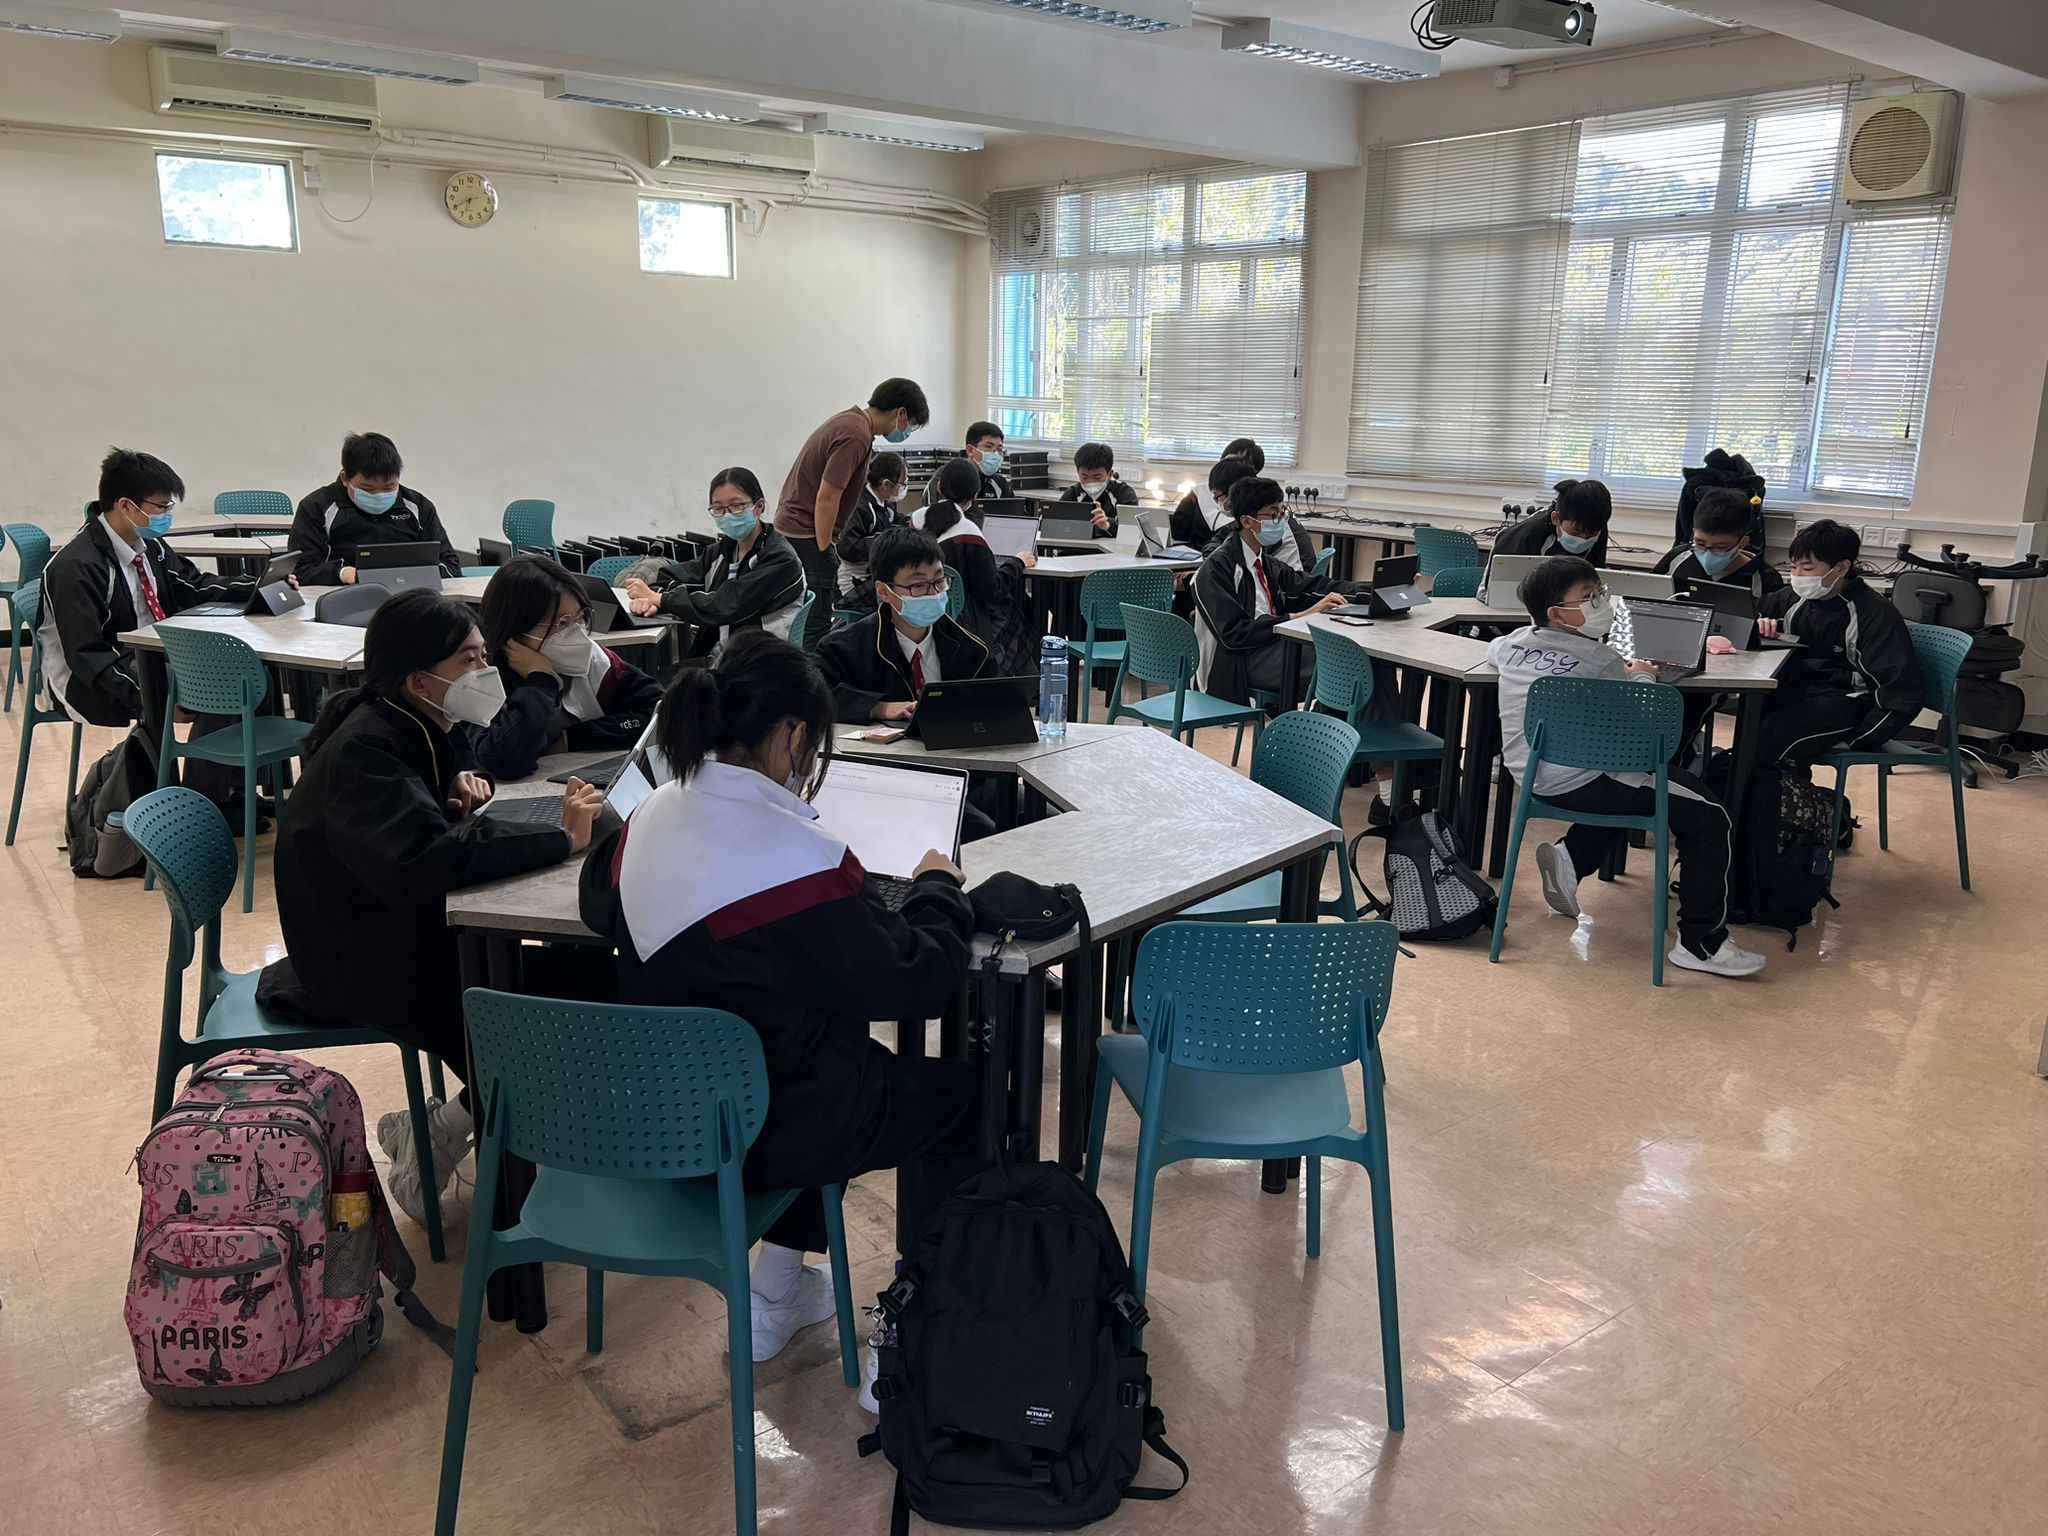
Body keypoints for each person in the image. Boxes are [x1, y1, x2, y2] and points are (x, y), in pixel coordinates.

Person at [578, 632, 980, 1361]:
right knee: (964, 1103)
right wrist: (936, 889)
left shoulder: (650, 815)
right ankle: (922, 1331)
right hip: (770, 1128)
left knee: (808, 1045)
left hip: (663, 1114)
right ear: (793, 735)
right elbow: (917, 979)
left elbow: (596, 903)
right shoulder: (796, 858)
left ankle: (778, 1292)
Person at [258, 589, 605, 1221]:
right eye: (469, 660)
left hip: (400, 930)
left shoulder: (408, 717)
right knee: (547, 1021)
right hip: (367, 959)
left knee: (579, 989)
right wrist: (561, 838)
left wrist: (454, 782)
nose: (485, 670)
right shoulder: (366, 748)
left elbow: (445, 776)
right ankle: (434, 1143)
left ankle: (438, 1126)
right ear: (419, 679)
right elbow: (427, 864)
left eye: (483, 655)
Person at [1487, 557, 1764, 980]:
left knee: (1632, 787)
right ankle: (1702, 943)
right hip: (1587, 779)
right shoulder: (1602, 660)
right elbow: (1645, 731)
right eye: (1589, 597)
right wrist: (1643, 677)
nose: (1602, 602)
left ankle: (1570, 859)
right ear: (1557, 613)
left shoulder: (1511, 645)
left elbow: (1495, 652)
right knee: (1710, 817)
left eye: (1600, 592)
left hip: (1532, 777)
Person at [39, 449, 275, 821]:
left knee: (252, 670)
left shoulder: (147, 545)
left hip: (150, 654)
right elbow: (88, 656)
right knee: (221, 685)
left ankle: (233, 791)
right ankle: (206, 806)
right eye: (161, 507)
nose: (166, 515)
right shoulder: (76, 566)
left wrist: (256, 587)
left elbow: (192, 586)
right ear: (125, 505)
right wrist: (152, 696)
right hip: (91, 678)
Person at [468, 554, 663, 781]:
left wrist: (573, 738)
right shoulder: (479, 676)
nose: (576, 632)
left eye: (579, 618)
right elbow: (505, 760)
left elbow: (661, 714)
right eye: (561, 623)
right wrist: (541, 680)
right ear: (516, 631)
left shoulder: (595, 661)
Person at [1754, 520, 1923, 770]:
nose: (1797, 576)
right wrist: (1759, 623)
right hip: (1803, 690)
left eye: (1807, 568)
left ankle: (1770, 790)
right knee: (1752, 712)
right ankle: (1751, 788)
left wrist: (1857, 740)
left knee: (1775, 732)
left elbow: (1901, 693)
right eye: (1793, 567)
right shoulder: (1794, 599)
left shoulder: (1873, 614)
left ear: (1842, 567)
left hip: (1848, 700)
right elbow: (1750, 612)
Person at [776, 378, 930, 649]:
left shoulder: (852, 423)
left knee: (810, 621)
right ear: (901, 413)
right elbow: (828, 496)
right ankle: (812, 675)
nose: (908, 432)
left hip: (798, 529)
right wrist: (825, 548)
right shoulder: (855, 433)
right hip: (806, 534)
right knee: (815, 626)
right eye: (912, 424)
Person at [1190, 476, 1349, 705]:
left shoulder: (1264, 561)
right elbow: (1234, 635)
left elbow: (1312, 585)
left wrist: (1373, 589)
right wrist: (1296, 618)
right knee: (1337, 659)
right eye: (1273, 515)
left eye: (1282, 512)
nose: (1281, 521)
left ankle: (1358, 726)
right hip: (1236, 663)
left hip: (1271, 647)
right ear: (1247, 521)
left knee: (1352, 658)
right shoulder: (1217, 569)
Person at [621, 468, 806, 659]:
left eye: (736, 506)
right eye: (718, 509)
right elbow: (674, 576)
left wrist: (660, 600)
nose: (727, 515)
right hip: (720, 654)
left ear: (759, 507)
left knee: (659, 677)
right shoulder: (722, 551)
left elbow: (726, 604)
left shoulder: (780, 559)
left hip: (759, 660)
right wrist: (652, 600)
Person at [817, 526, 991, 724]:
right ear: (884, 591)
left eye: (939, 581)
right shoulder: (844, 648)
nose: (933, 594)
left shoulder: (973, 651)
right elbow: (814, 695)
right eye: (918, 585)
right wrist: (877, 707)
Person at [289, 432, 461, 587]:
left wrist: (415, 576)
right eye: (367, 489)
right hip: (343, 595)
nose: (379, 495)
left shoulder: (418, 506)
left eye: (388, 488)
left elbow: (451, 565)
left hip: (411, 596)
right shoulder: (316, 507)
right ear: (345, 478)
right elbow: (301, 570)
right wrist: (342, 573)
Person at [915, 457, 1036, 676]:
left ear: (939, 487)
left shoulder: (915, 520)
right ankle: (1027, 684)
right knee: (1019, 610)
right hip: (963, 623)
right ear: (975, 496)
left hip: (916, 611)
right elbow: (993, 589)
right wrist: (1018, 562)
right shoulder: (969, 533)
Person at [1656, 487, 1784, 602]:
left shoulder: (1765, 580)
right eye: (1700, 543)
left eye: (1720, 547)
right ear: (1694, 533)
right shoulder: (1678, 557)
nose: (1707, 553)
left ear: (1742, 543)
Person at [834, 451, 911, 614]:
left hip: (875, 574)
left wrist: (913, 522)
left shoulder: (885, 501)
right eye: (902, 484)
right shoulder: (859, 507)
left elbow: (895, 520)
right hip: (855, 582)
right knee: (902, 593)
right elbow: (848, 548)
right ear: (886, 484)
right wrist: (888, 539)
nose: (904, 488)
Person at [1492, 478, 1613, 568]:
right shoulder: (1528, 534)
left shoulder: (1596, 526)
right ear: (1556, 518)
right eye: (1576, 532)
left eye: (1591, 534)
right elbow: (1499, 583)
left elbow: (1596, 573)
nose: (1584, 539)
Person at [1169, 456, 1260, 552]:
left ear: (1232, 493)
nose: (1216, 500)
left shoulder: (1253, 523)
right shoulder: (1236, 524)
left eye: (1216, 495)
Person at [1056, 442, 1136, 539]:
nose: (1090, 482)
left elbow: (1132, 529)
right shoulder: (1073, 493)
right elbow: (1056, 523)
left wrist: (1107, 525)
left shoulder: (1124, 493)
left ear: (1110, 474)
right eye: (1084, 477)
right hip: (1076, 545)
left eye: (1097, 478)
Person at [923, 421, 1011, 506]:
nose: (995, 454)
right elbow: (933, 512)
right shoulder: (947, 476)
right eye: (989, 447)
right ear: (970, 450)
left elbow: (1012, 511)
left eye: (999, 449)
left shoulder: (999, 482)